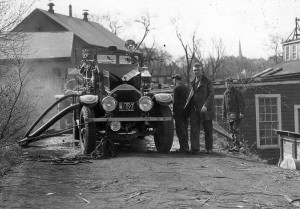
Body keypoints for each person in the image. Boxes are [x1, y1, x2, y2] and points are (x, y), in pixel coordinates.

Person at [183, 62, 215, 154]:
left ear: (202, 70)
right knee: (194, 128)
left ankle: (209, 148)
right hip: (194, 109)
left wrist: (205, 105)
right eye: (194, 70)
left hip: (205, 109)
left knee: (208, 129)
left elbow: (211, 94)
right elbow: (191, 95)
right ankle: (195, 148)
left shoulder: (207, 81)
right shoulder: (193, 82)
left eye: (198, 70)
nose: (196, 72)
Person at [222, 78, 245, 152]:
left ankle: (237, 146)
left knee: (236, 129)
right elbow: (224, 105)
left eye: (229, 83)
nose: (228, 85)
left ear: (232, 84)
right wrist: (224, 115)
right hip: (229, 114)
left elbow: (241, 103)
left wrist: (242, 112)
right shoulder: (225, 93)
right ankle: (234, 145)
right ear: (225, 84)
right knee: (231, 130)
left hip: (237, 114)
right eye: (227, 83)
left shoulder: (237, 92)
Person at [172, 74, 190, 153]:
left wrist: (173, 111)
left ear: (175, 80)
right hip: (186, 110)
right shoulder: (186, 87)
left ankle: (183, 148)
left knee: (180, 129)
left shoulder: (176, 88)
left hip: (179, 111)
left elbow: (175, 102)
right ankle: (186, 146)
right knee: (185, 128)